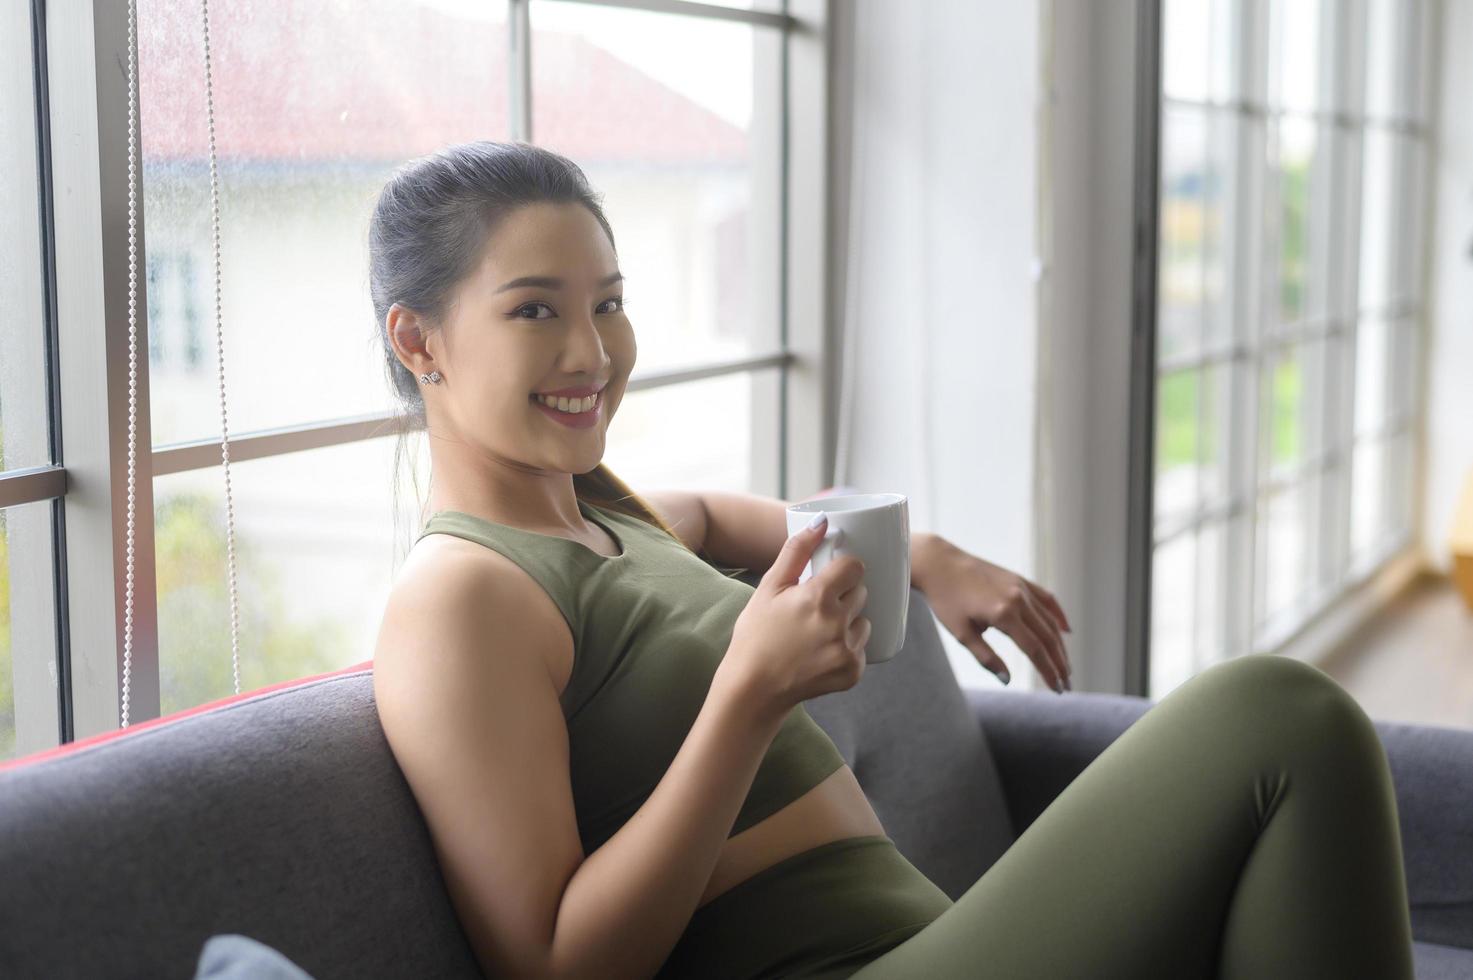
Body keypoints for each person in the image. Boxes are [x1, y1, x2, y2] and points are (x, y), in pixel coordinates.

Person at [369, 140, 1416, 979]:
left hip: (924, 940)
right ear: (421, 343)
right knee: (1280, 717)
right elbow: (553, 962)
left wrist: (927, 554)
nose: (594, 352)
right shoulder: (458, 597)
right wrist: (747, 694)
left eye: (607, 301)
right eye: (535, 308)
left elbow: (762, 522)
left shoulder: (604, 506)